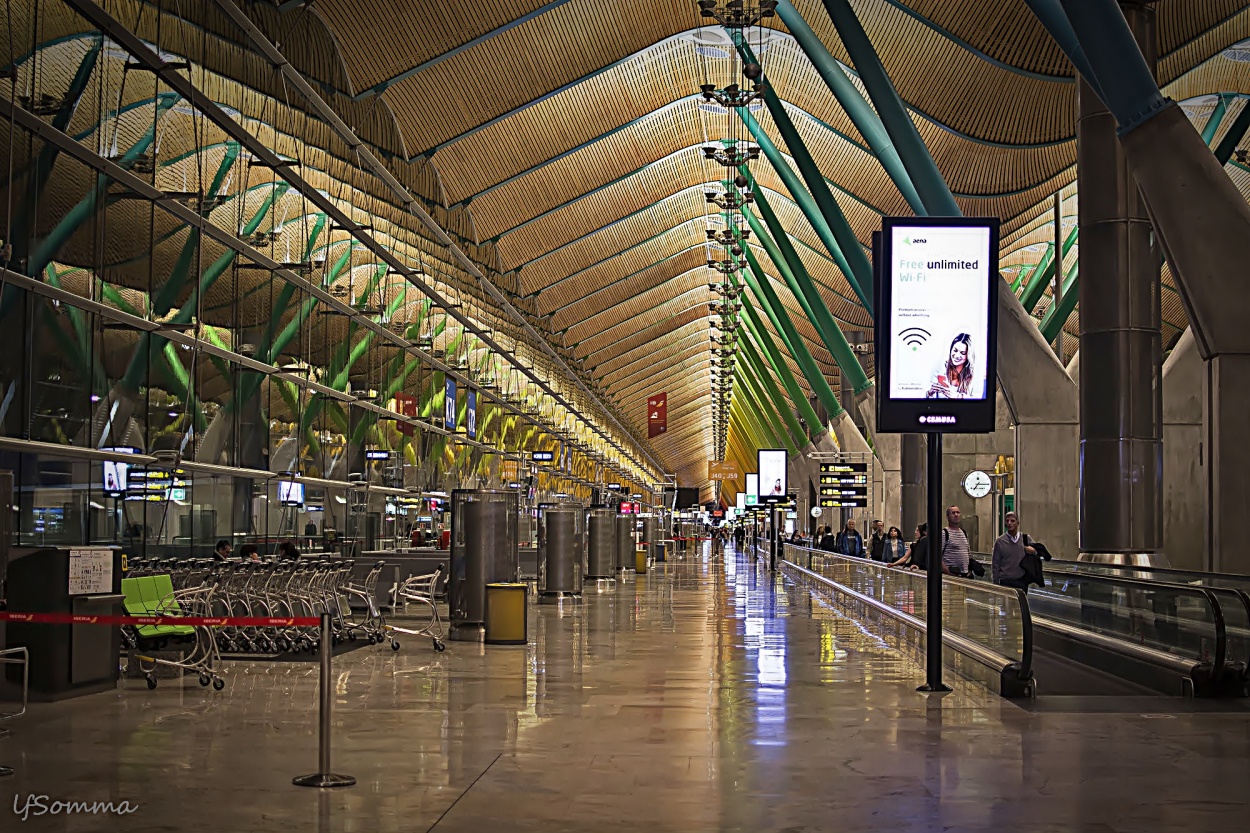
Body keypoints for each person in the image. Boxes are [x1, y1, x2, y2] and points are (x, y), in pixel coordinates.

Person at [992, 512, 1036, 591]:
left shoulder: (1026, 539)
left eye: (1012, 521)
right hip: (1005, 580)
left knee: (1020, 603)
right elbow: (995, 563)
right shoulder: (1000, 541)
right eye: (1007, 521)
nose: (1009, 523)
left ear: (1017, 523)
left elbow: (1039, 554)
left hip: (1021, 580)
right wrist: (996, 583)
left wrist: (1033, 551)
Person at [928, 333, 978, 399]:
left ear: (968, 356)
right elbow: (927, 399)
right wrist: (929, 393)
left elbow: (977, 400)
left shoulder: (973, 376)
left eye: (962, 353)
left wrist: (957, 397)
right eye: (955, 350)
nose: (957, 356)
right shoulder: (941, 369)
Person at [941, 506, 971, 576]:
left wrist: (970, 569)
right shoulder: (944, 533)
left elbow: (968, 552)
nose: (956, 515)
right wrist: (947, 571)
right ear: (948, 517)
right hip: (951, 574)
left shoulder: (963, 533)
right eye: (953, 513)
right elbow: (937, 556)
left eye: (958, 512)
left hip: (964, 574)